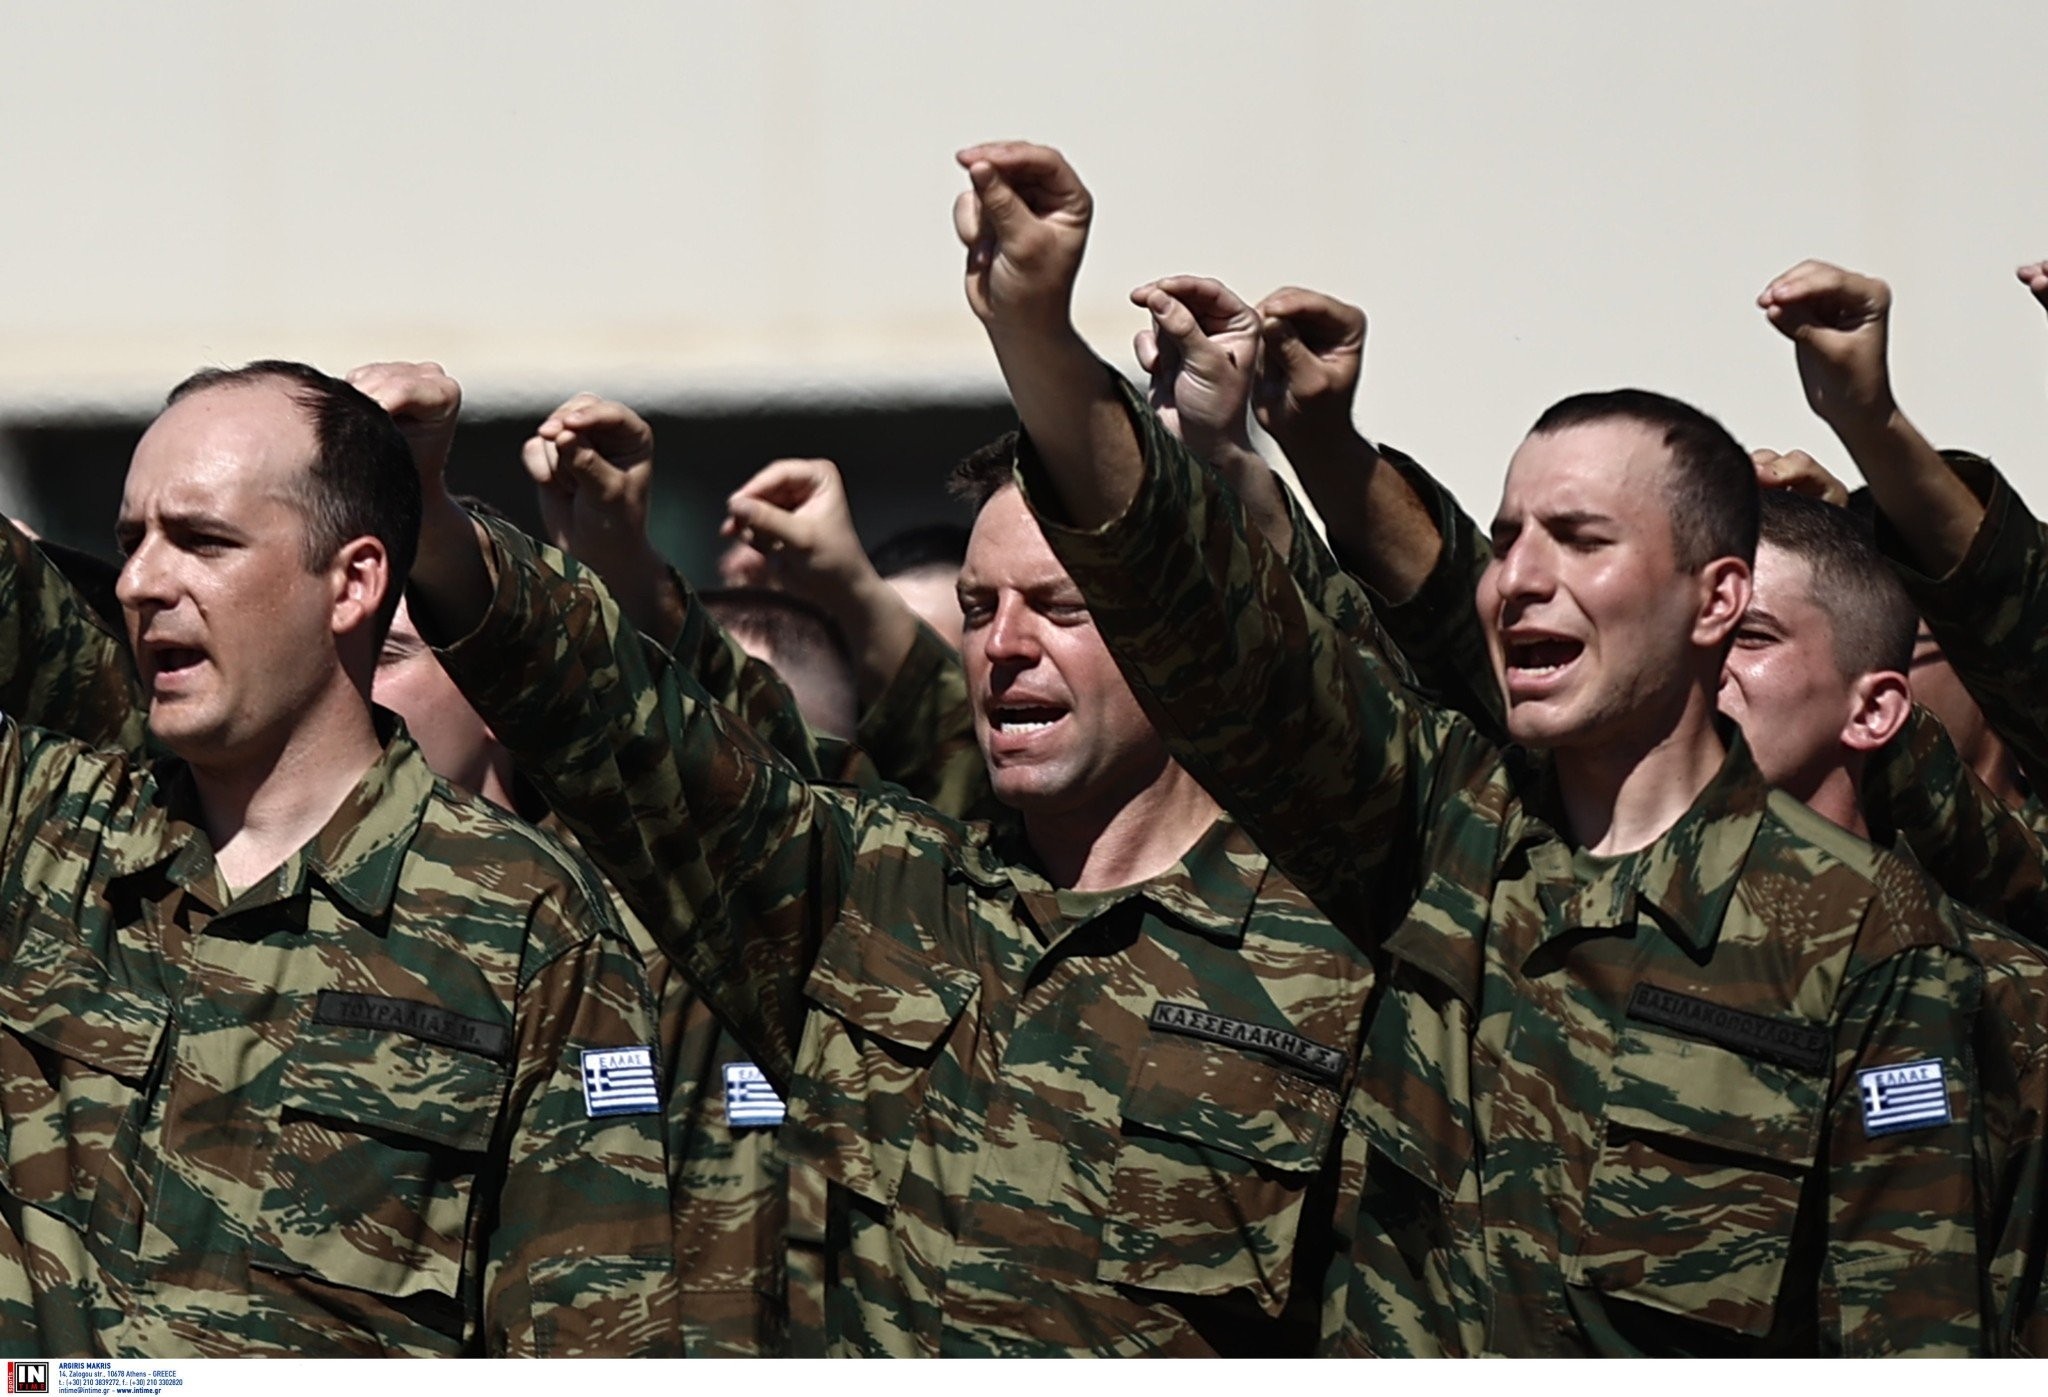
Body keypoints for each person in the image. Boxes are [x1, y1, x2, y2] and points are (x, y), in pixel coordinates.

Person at [956, 139, 1991, 1354]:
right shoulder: (1438, 831)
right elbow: (1204, 611)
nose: (1519, 580)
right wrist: (1035, 332)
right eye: (1507, 539)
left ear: (1714, 598)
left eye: (1580, 538)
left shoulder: (1860, 931)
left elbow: (1908, 1336)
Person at [399, 353, 1380, 1356]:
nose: (1003, 644)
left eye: (1062, 607)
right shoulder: (880, 890)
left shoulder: (1329, 953)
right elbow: (634, 727)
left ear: (1188, 635)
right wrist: (430, 515)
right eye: (977, 608)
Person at [0, 361, 678, 1357]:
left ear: (354, 581)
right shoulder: (38, 825)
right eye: (130, 539)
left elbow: (591, 1350)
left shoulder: (526, 923)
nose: (140, 583)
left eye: (202, 540)